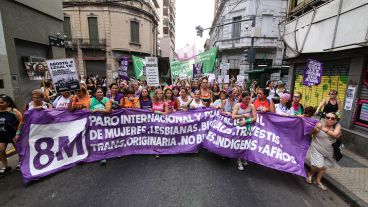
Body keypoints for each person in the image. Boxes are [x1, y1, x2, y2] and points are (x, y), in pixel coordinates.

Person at [306, 112, 342, 190]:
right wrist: (314, 129)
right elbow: (309, 132)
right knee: (318, 165)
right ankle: (310, 174)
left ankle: (318, 181)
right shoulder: (318, 123)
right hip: (317, 148)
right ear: (325, 118)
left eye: (332, 118)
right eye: (328, 117)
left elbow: (335, 134)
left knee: (324, 167)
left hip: (330, 151)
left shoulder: (337, 126)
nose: (330, 119)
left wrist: (322, 128)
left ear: (335, 120)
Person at [232, 91, 257, 171]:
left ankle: (243, 157)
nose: (248, 100)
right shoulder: (237, 105)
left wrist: (246, 121)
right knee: (239, 143)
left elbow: (254, 118)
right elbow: (233, 116)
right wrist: (243, 115)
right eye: (246, 99)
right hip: (238, 127)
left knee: (246, 143)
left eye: (249, 99)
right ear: (242, 98)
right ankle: (239, 160)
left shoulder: (252, 106)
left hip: (248, 127)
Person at [0, 95, 22, 176]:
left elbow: (22, 120)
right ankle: (5, 166)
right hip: (2, 134)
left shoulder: (13, 110)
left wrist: (18, 133)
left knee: (18, 149)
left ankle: (21, 162)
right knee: (1, 150)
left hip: (13, 133)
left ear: (8, 103)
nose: (0, 104)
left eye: (2, 102)